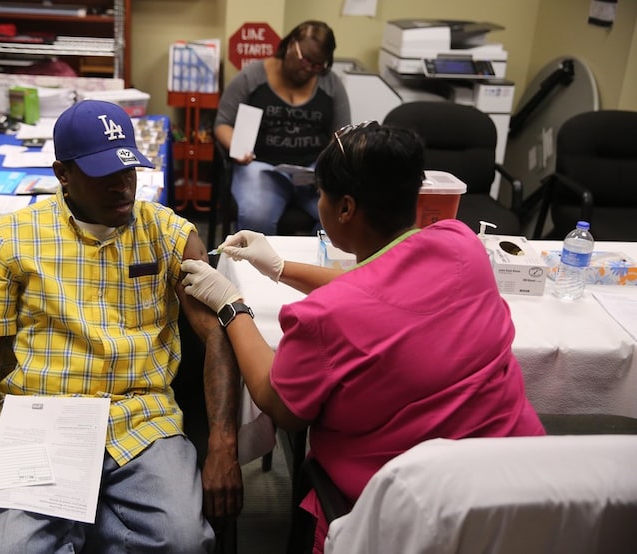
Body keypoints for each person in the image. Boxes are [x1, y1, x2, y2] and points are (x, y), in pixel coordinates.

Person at [181, 123, 546, 554]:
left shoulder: (323, 318)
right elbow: (376, 280)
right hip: (519, 489)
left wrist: (231, 305)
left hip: (412, 514)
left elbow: (280, 404)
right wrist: (280, 267)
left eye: (321, 194)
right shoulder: (460, 242)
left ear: (346, 208)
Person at [0, 99, 243, 552]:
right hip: (40, 418)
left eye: (129, 171)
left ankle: (78, 528)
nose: (122, 187)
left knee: (184, 541)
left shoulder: (169, 234)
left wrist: (224, 442)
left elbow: (218, 334)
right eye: (104, 176)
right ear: (63, 174)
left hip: (139, 417)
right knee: (4, 550)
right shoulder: (10, 237)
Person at [214, 20, 351, 235]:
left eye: (317, 65)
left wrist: (332, 165)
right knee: (257, 215)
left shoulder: (331, 84)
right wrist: (238, 148)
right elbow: (223, 123)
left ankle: (311, 266)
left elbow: (343, 135)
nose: (308, 69)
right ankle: (260, 268)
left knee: (343, 214)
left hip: (313, 170)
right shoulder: (251, 77)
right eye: (305, 59)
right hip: (261, 165)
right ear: (290, 44)